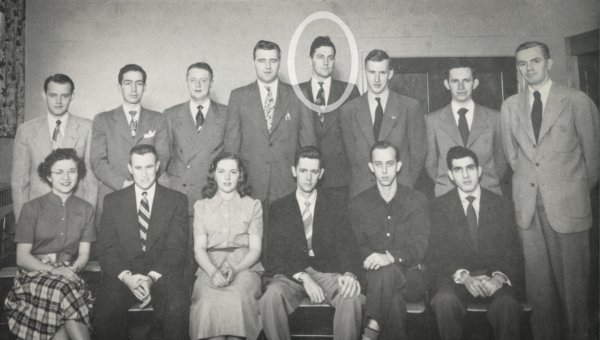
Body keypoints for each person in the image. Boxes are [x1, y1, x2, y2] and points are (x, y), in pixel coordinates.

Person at [500, 41, 599, 340]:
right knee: (540, 295)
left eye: (535, 61)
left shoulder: (576, 100)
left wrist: (566, 191)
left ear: (549, 63)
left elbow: (593, 162)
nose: (528, 68)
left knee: (575, 296)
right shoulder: (510, 106)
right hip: (528, 212)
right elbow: (513, 158)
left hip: (569, 210)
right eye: (522, 63)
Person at [260, 146, 363, 340]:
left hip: (327, 272)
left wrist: (349, 273)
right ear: (294, 171)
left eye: (314, 171)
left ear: (321, 174)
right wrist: (304, 278)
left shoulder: (335, 203)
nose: (308, 177)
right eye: (303, 171)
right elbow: (273, 256)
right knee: (270, 297)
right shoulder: (279, 208)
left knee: (351, 297)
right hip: (293, 274)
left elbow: (348, 244)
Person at [93, 144, 188, 340]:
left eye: (148, 167)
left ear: (158, 166)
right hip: (124, 275)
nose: (144, 174)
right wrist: (127, 278)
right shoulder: (113, 201)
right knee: (105, 309)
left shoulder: (176, 200)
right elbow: (106, 249)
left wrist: (150, 278)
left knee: (177, 306)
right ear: (130, 168)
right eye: (138, 168)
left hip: (162, 275)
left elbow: (176, 248)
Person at [428, 146, 523, 340]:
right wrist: (464, 277)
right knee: (443, 300)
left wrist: (498, 279)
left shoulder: (502, 205)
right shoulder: (437, 207)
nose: (465, 175)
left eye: (470, 168)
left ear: (479, 171)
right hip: (458, 279)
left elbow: (513, 253)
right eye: (458, 170)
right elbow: (436, 255)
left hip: (493, 279)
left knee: (507, 304)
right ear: (451, 176)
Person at [5, 148, 95, 340]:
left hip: (70, 273)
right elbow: (22, 257)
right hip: (34, 274)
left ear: (78, 174)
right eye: (59, 172)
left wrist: (71, 270)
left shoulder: (86, 209)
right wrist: (54, 271)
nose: (66, 177)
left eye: (72, 171)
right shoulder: (32, 208)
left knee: (64, 291)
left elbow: (84, 255)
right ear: (48, 175)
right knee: (64, 290)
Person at [349, 141, 430, 340]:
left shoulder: (416, 200)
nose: (384, 171)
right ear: (371, 167)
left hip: (411, 278)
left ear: (398, 166)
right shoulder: (359, 203)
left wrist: (390, 257)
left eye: (390, 164)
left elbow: (419, 246)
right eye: (378, 164)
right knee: (392, 301)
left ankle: (371, 330)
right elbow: (358, 247)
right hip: (373, 280)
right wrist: (378, 261)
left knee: (389, 272)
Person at [224, 40, 315, 204]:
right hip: (249, 186)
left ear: (279, 62)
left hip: (288, 185)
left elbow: (308, 146)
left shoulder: (298, 96)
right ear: (254, 63)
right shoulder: (239, 97)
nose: (267, 66)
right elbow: (231, 146)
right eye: (261, 61)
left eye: (272, 61)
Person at [189, 152, 263, 340]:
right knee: (207, 302)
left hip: (245, 266)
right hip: (209, 265)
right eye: (222, 171)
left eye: (233, 172)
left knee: (237, 299)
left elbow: (255, 249)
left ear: (241, 175)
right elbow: (199, 249)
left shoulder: (253, 205)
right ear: (214, 175)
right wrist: (212, 272)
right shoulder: (201, 206)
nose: (227, 177)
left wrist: (237, 269)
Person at [340, 49, 426, 198]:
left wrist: (404, 185)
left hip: (400, 191)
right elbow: (352, 158)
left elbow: (418, 154)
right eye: (372, 72)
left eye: (382, 73)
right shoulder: (348, 111)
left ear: (390, 73)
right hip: (362, 193)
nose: (377, 79)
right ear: (365, 73)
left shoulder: (410, 107)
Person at [11, 74, 97, 221]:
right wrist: (23, 222)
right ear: (44, 95)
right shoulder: (26, 130)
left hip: (75, 214)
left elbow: (90, 180)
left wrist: (87, 219)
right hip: (37, 215)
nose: (58, 101)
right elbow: (19, 181)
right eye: (53, 95)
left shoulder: (87, 127)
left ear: (72, 96)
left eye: (64, 96)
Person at [91, 64, 170, 219]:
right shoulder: (103, 120)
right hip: (113, 193)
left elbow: (163, 157)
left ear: (145, 87)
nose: (133, 89)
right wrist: (124, 185)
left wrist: (143, 184)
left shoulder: (158, 119)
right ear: (119, 86)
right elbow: (97, 162)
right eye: (128, 83)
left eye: (138, 83)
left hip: (149, 196)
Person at [425, 58, 507, 197]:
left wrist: (485, 182)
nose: (461, 87)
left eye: (466, 81)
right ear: (447, 84)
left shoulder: (495, 118)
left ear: (475, 83)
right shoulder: (432, 120)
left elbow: (501, 162)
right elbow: (431, 165)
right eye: (455, 81)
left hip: (488, 192)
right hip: (448, 194)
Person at [298, 36, 360, 197]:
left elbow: (357, 137)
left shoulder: (349, 91)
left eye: (330, 58)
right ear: (310, 60)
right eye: (320, 57)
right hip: (306, 177)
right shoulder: (296, 92)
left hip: (339, 179)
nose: (326, 62)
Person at [164, 62, 228, 214]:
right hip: (179, 192)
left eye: (203, 80)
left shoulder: (227, 114)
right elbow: (164, 155)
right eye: (193, 80)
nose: (198, 85)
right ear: (187, 82)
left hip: (212, 192)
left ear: (211, 83)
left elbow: (231, 156)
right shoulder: (171, 115)